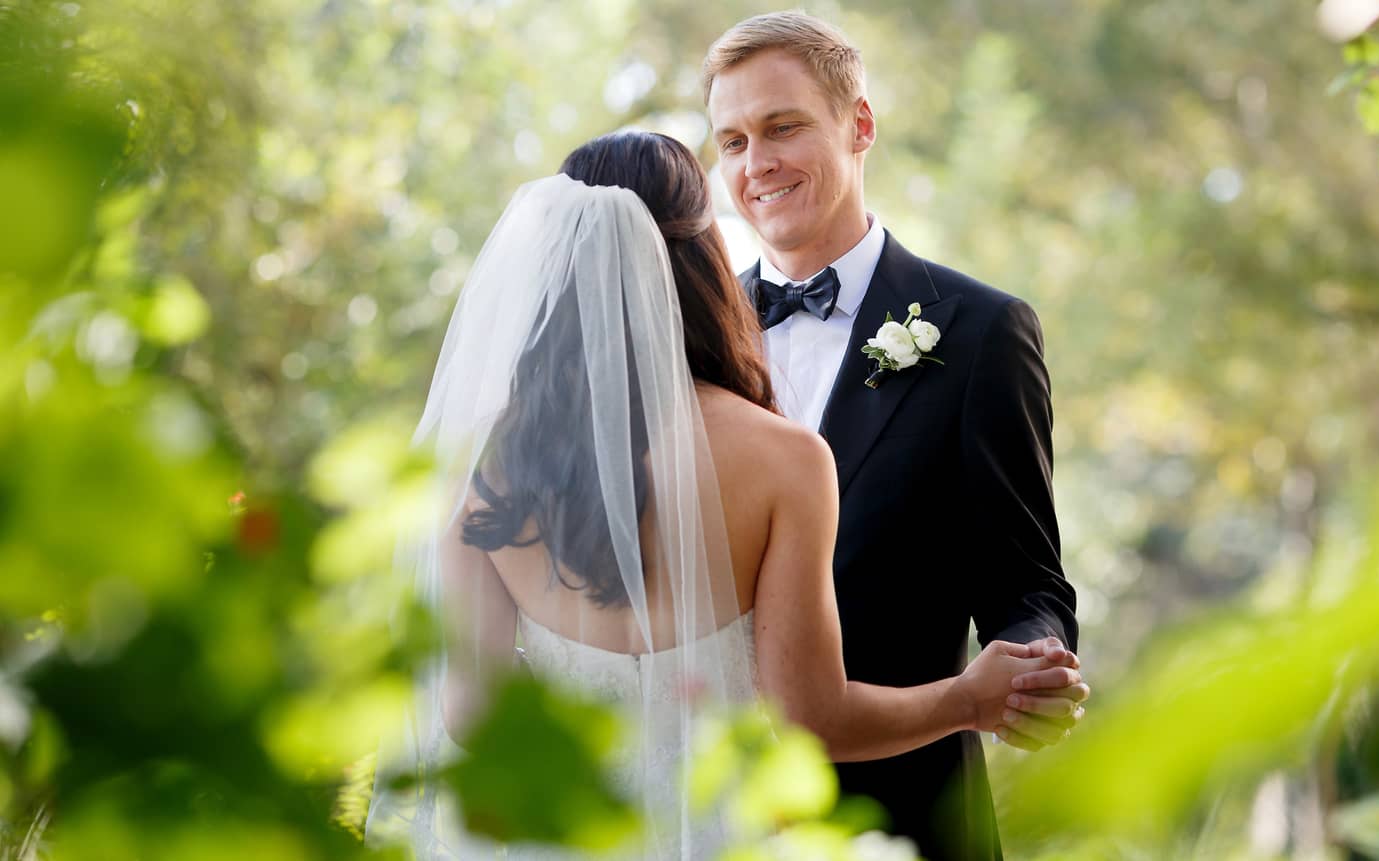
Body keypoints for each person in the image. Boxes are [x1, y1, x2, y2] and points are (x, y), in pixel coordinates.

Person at [366, 131, 1075, 859]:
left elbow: (470, 714)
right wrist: (968, 698)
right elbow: (812, 718)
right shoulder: (785, 458)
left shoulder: (479, 455)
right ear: (701, 253)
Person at [702, 12, 1089, 860]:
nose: (755, 164)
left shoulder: (981, 331)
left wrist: (1032, 664)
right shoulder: (679, 335)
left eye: (783, 127)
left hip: (908, 810)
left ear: (860, 124)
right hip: (711, 813)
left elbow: (1027, 579)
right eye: (731, 141)